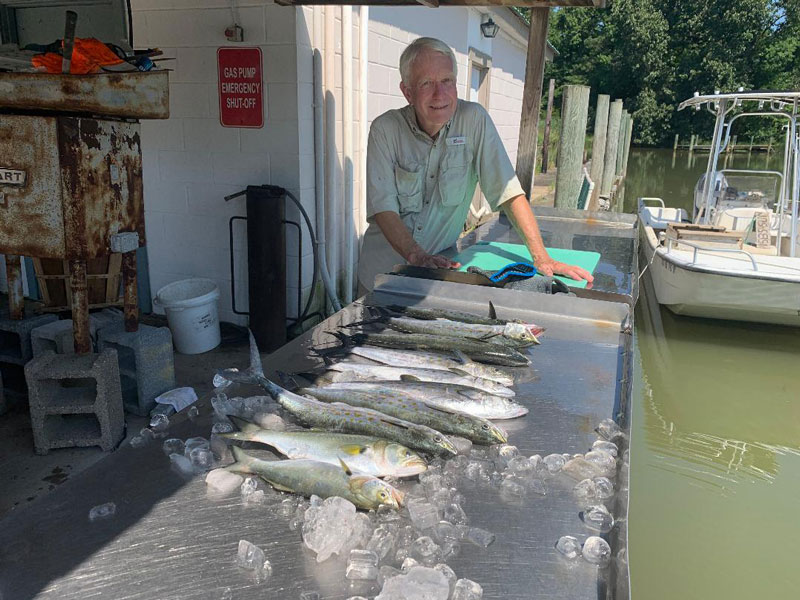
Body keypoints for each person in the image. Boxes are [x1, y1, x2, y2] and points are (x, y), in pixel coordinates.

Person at [357, 37, 594, 293]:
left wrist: (542, 257)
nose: (440, 94)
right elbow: (384, 208)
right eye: (427, 83)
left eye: (447, 81)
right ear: (408, 92)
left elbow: (509, 192)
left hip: (439, 272)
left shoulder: (474, 120)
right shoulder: (385, 129)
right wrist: (416, 255)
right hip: (381, 275)